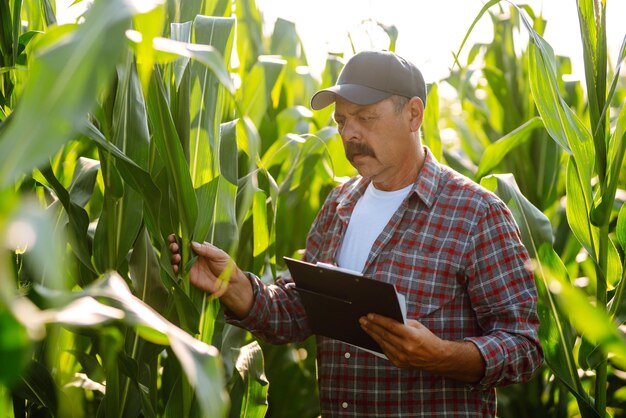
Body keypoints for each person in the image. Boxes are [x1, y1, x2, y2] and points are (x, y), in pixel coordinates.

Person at [169, 50, 543, 417]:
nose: (350, 133)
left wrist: (441, 355)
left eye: (365, 117)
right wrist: (233, 285)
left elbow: (524, 347)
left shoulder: (476, 213)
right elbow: (299, 310)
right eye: (342, 121)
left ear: (414, 114)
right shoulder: (339, 205)